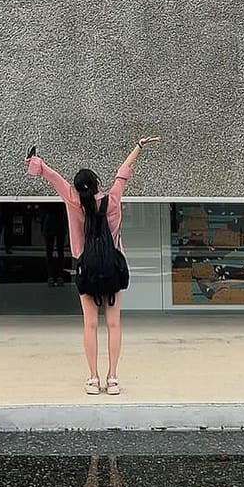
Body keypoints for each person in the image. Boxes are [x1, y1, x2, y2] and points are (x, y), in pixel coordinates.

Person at [26, 138, 161, 394]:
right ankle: (113, 379)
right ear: (98, 184)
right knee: (114, 324)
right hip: (113, 268)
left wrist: (36, 163)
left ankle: (93, 379)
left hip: (86, 268)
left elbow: (53, 177)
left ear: (78, 189)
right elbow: (123, 173)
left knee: (89, 325)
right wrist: (139, 146)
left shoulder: (73, 201)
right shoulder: (113, 200)